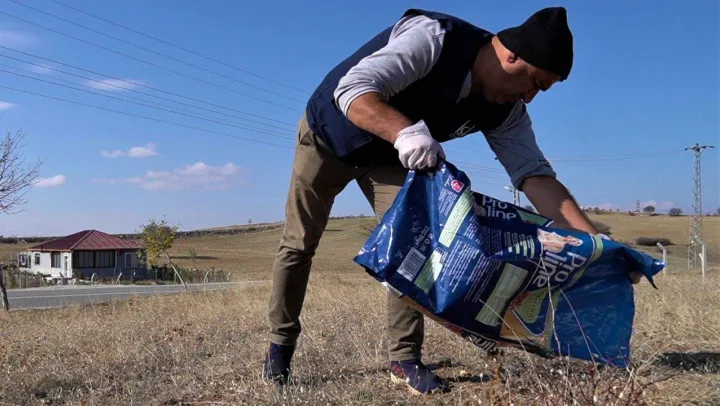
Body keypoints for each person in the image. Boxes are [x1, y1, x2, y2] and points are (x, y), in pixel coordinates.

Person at [261, 6, 641, 395]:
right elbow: (353, 89)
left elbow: (535, 176)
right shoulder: (434, 38)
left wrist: (600, 247)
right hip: (329, 137)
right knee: (299, 244)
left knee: (416, 243)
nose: (529, 97)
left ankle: (403, 358)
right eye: (534, 83)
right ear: (512, 56)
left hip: (388, 157)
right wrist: (405, 133)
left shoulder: (506, 110)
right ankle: (279, 348)